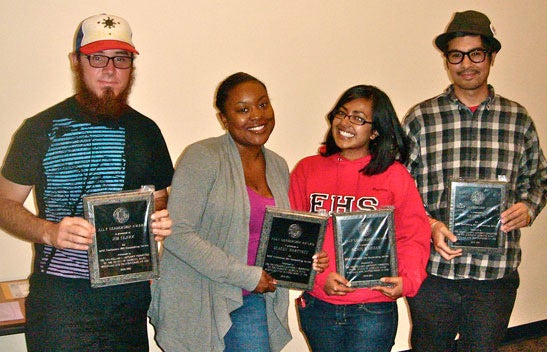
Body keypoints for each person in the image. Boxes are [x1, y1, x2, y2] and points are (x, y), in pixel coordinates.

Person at [0, 14, 174, 351]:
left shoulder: (147, 131)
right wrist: (49, 232)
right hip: (60, 304)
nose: (110, 69)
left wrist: (158, 218)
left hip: (129, 301)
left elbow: (161, 197)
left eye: (120, 59)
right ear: (76, 62)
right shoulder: (39, 128)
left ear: (131, 66)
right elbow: (4, 203)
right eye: (97, 58)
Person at [148, 72, 327, 352]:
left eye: (263, 104)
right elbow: (177, 234)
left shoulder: (278, 166)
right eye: (243, 110)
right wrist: (245, 275)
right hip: (200, 297)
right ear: (224, 119)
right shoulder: (202, 157)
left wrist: (306, 258)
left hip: (252, 300)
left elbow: (277, 234)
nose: (257, 116)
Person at [402, 10, 547, 352]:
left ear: (491, 57)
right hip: (434, 270)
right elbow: (399, 188)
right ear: (447, 60)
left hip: (494, 274)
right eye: (456, 55)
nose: (466, 64)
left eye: (476, 54)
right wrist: (428, 224)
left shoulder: (518, 119)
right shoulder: (421, 118)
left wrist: (529, 206)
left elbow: (539, 177)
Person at [289, 85, 430, 351]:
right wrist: (319, 278)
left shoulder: (394, 175)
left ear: (375, 131)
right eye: (342, 114)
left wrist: (407, 280)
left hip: (373, 307)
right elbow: (294, 237)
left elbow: (412, 235)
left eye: (358, 118)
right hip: (319, 304)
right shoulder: (307, 169)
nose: (345, 123)